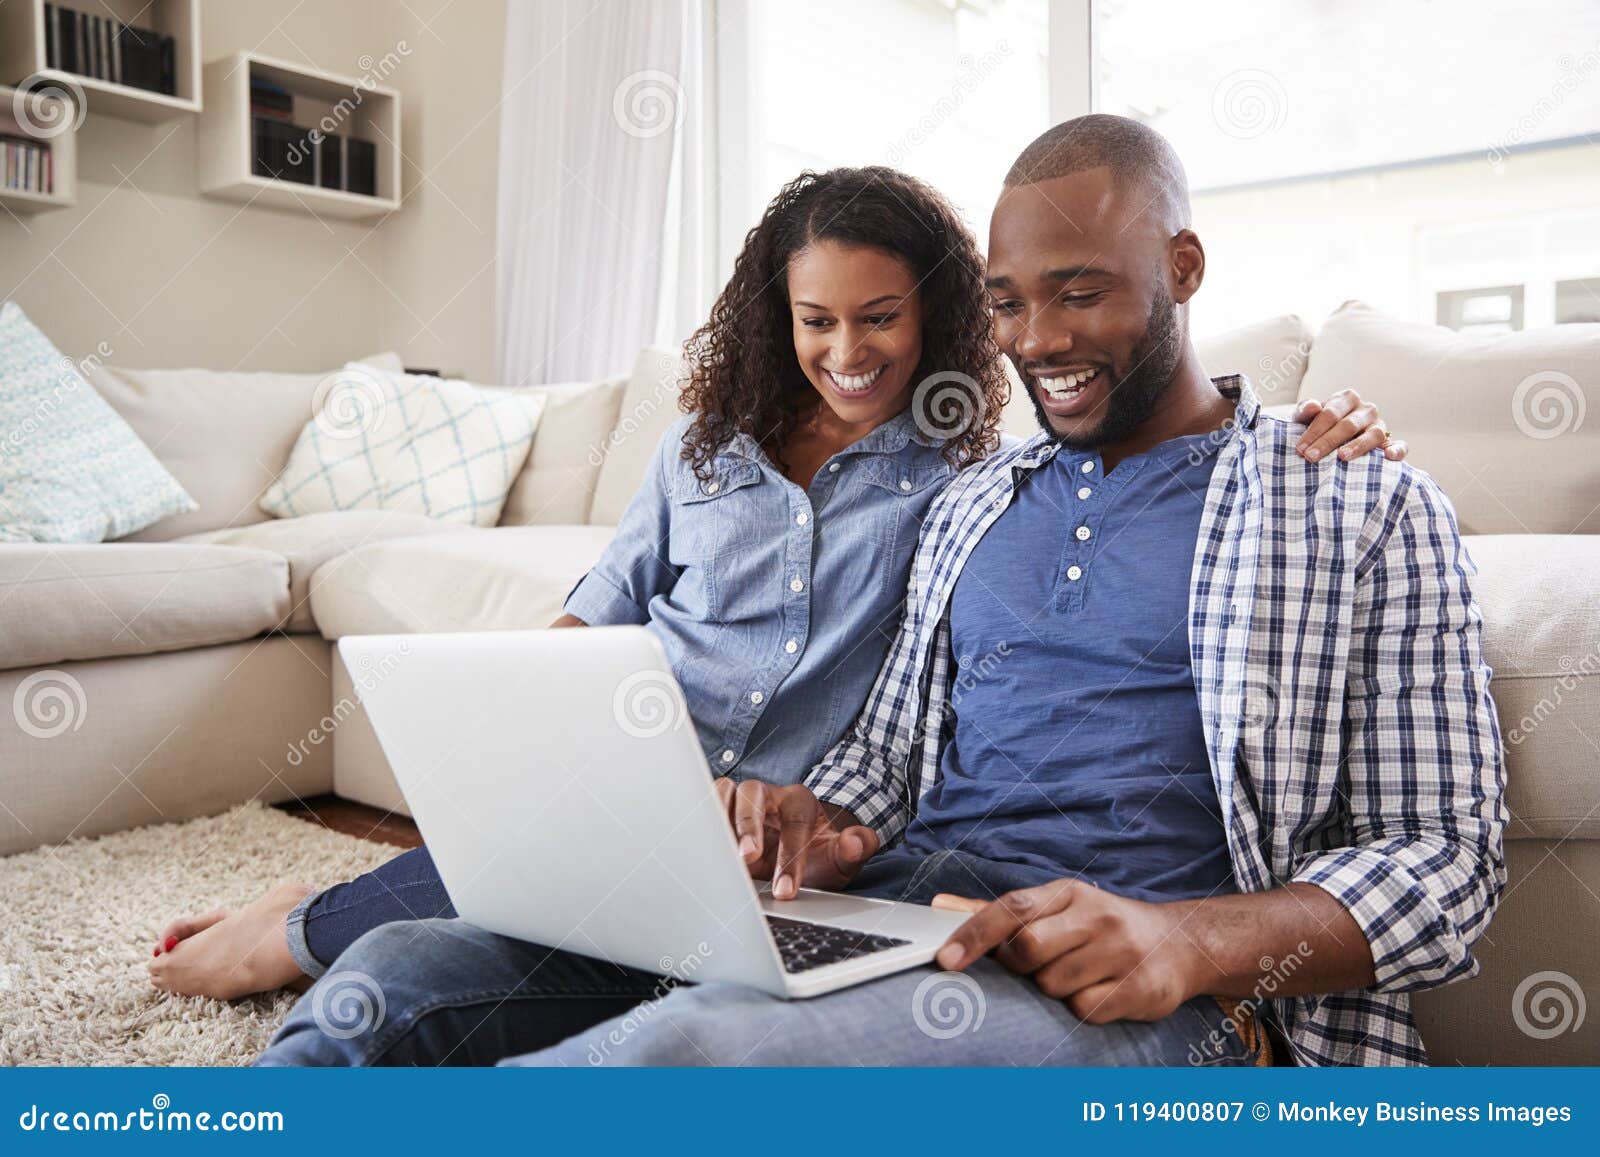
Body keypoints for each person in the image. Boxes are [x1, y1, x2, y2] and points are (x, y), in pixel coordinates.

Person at [158, 159, 1401, 1053]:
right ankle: (323, 937)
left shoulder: (1001, 469)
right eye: (1015, 301)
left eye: (1078, 292)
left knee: (690, 1047)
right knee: (387, 980)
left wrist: (1191, 943)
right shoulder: (958, 492)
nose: (1038, 338)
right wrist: (820, 817)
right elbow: (879, 741)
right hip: (833, 867)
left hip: (1066, 947)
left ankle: (306, 916)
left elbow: (1438, 853)